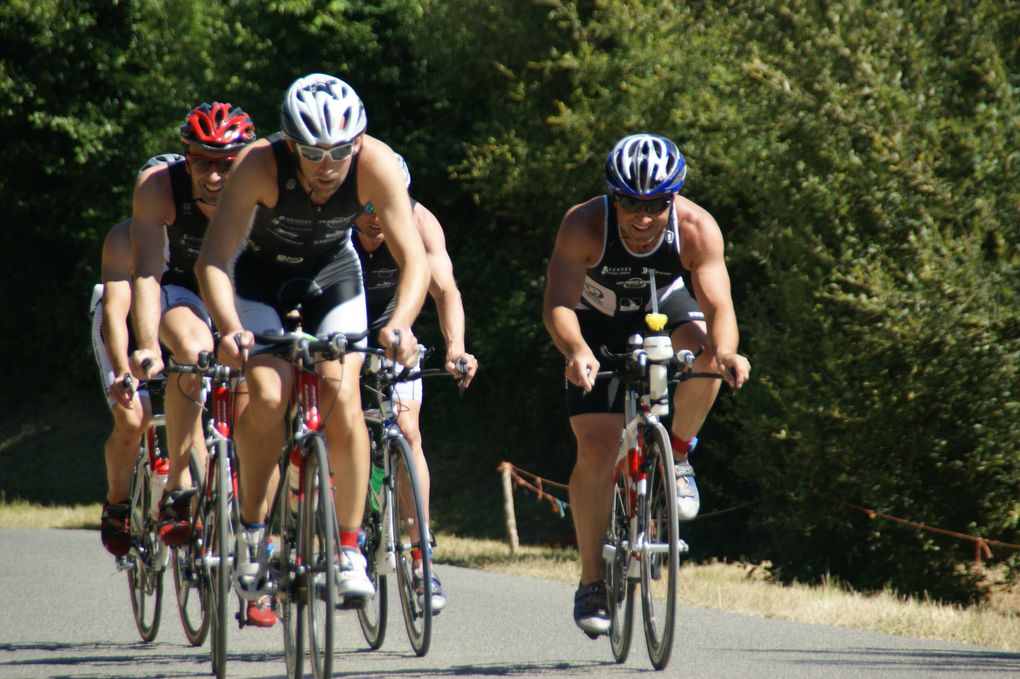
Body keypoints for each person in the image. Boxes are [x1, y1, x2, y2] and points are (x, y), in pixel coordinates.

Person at [196, 73, 429, 607]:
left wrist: (400, 324)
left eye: (340, 152)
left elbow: (413, 258)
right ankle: (254, 532)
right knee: (270, 396)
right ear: (288, 143)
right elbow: (213, 260)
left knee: (342, 392)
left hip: (334, 276)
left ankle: (348, 546)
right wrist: (230, 327)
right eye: (311, 153)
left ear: (360, 143)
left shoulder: (377, 164)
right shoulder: (258, 164)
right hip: (260, 280)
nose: (328, 167)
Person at [542, 133, 751, 636]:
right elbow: (559, 303)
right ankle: (593, 580)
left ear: (673, 199)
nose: (642, 217)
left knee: (704, 355)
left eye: (656, 205)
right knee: (595, 448)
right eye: (630, 203)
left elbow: (719, 306)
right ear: (612, 199)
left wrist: (724, 352)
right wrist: (577, 351)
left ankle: (676, 456)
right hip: (596, 322)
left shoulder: (697, 228)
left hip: (665, 308)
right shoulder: (584, 224)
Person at [129, 105, 275, 626]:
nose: (214, 176)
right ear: (185, 159)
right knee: (193, 354)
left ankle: (256, 560)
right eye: (202, 162)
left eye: (227, 163)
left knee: (260, 413)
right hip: (184, 291)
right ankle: (179, 486)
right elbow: (147, 271)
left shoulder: (268, 181)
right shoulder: (158, 188)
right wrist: (147, 344)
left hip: (246, 296)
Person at [352, 152, 478, 612]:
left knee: (407, 431)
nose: (372, 221)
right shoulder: (329, 221)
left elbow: (446, 291)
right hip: (338, 331)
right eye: (363, 210)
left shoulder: (420, 222)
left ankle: (422, 559)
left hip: (393, 331)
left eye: (381, 209)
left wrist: (456, 348)